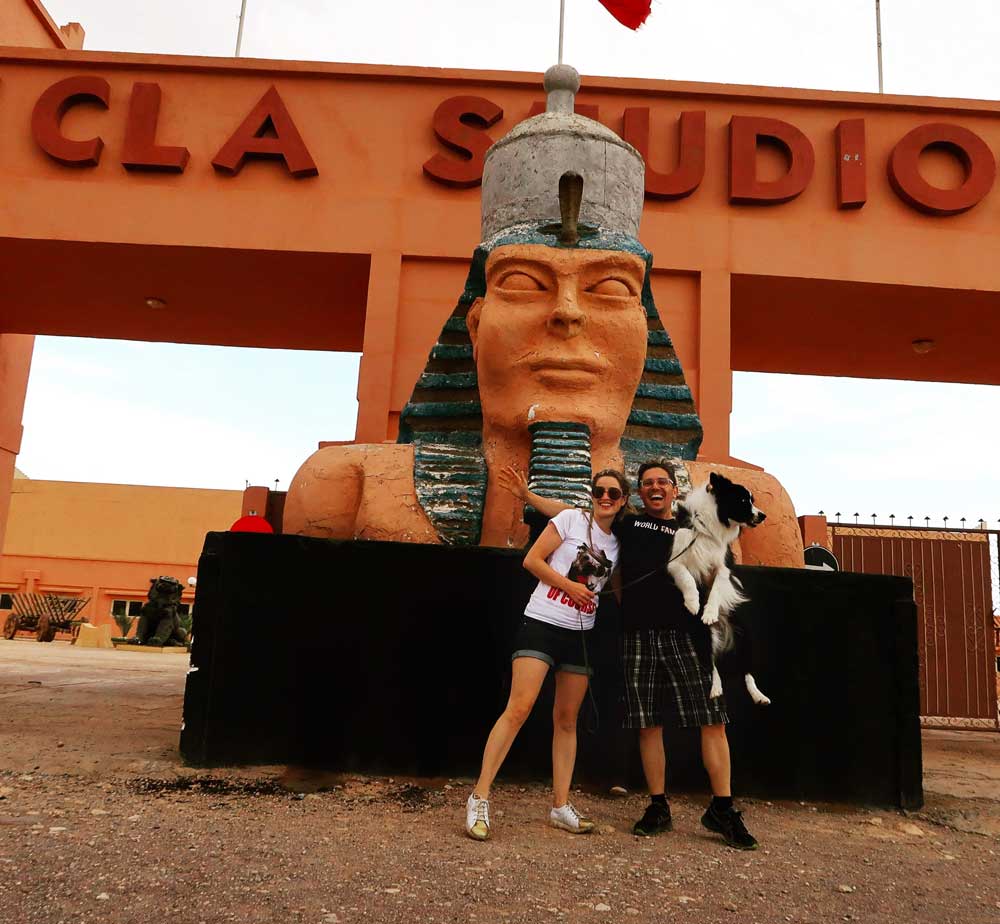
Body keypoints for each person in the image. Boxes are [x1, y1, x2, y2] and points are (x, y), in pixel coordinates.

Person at [500, 459, 759, 850]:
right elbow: (572, 514)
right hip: (638, 635)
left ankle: (722, 808)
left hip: (688, 635)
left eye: (663, 483)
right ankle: (658, 806)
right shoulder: (630, 523)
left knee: (712, 719)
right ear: (638, 493)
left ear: (674, 489)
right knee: (648, 723)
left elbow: (719, 569)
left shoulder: (696, 529)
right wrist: (528, 497)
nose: (655, 488)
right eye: (648, 483)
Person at [464, 469, 629, 841]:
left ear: (622, 500)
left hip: (581, 633)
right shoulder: (571, 519)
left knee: (568, 719)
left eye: (613, 493)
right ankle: (479, 797)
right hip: (542, 620)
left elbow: (618, 590)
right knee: (519, 707)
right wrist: (570, 585)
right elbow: (533, 561)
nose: (605, 497)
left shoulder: (620, 542)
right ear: (592, 494)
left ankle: (560, 805)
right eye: (599, 490)